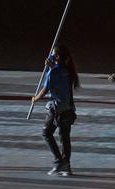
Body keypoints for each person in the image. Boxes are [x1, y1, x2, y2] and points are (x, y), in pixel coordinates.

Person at [31, 44, 79, 176]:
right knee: (65, 137)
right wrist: (51, 67)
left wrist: (35, 98)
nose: (50, 55)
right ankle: (66, 165)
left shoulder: (53, 72)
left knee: (46, 133)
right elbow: (59, 79)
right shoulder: (67, 71)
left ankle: (59, 162)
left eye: (53, 53)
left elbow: (46, 89)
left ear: (57, 56)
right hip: (68, 109)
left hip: (57, 109)